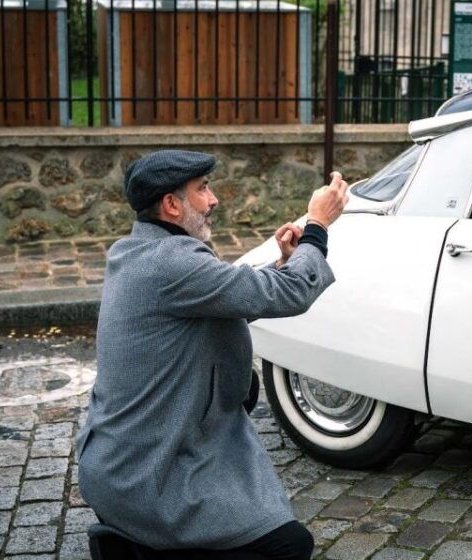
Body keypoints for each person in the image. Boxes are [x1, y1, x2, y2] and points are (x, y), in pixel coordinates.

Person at [76, 150, 349, 559]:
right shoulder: (172, 263)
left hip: (124, 458)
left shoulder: (137, 251)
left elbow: (224, 296)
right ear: (171, 204)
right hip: (145, 472)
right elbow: (290, 294)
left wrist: (283, 263)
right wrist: (317, 225)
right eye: (202, 189)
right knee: (288, 546)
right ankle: (133, 548)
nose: (214, 199)